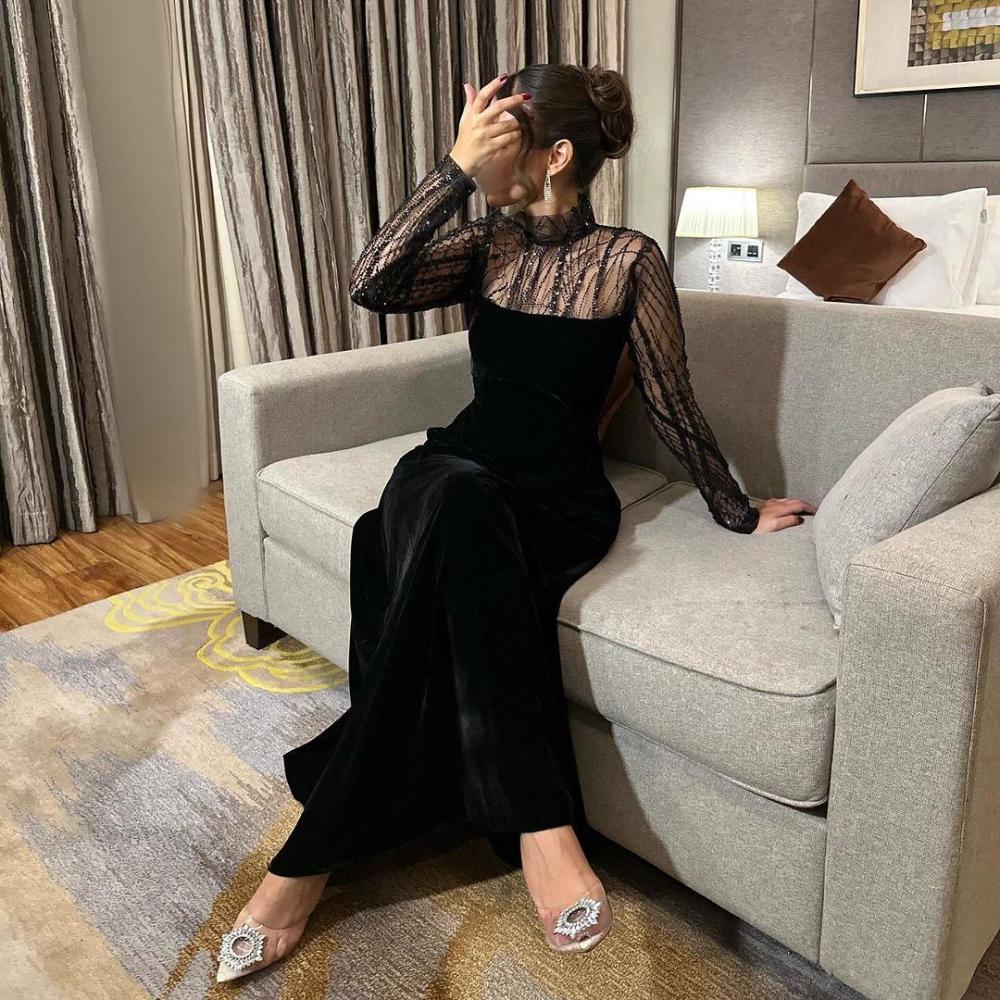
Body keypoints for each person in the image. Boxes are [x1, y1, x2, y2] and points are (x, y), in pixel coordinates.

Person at [216, 62, 815, 982]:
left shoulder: (628, 261)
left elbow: (670, 399)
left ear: (555, 155)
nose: (480, 155)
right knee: (440, 507)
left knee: (449, 532)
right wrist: (453, 171)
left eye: (495, 139)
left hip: (557, 499)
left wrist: (737, 509)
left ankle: (313, 854)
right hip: (451, 468)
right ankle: (541, 821)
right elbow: (372, 282)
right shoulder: (487, 246)